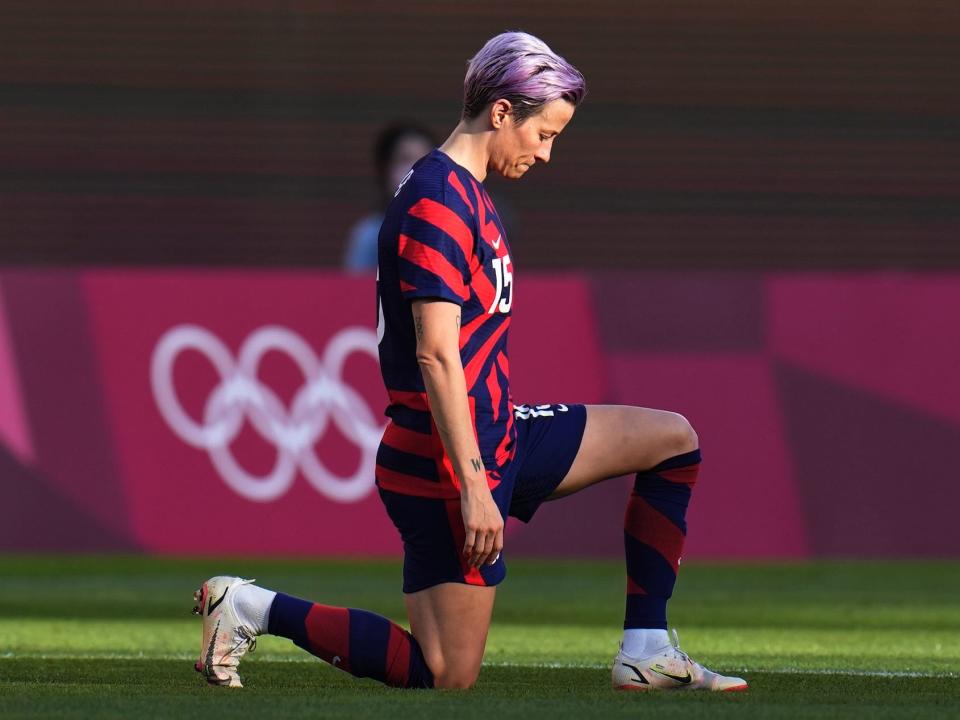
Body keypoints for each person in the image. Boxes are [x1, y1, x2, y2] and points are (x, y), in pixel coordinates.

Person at [192, 31, 747, 693]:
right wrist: (475, 485)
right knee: (446, 672)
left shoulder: (467, 192)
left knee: (670, 441)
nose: (546, 153)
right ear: (502, 113)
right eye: (544, 134)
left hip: (498, 433)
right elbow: (435, 355)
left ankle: (647, 650)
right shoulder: (441, 201)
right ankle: (254, 607)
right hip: (446, 459)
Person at [343, 123, 436, 272]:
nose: (416, 170)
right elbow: (355, 291)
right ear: (385, 170)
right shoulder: (369, 235)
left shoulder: (454, 232)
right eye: (405, 159)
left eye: (425, 161)